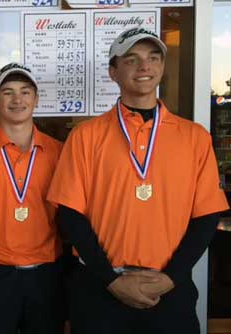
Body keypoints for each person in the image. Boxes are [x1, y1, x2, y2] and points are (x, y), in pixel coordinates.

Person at [47, 27, 229, 334]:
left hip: (169, 290)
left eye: (153, 57)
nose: (144, 66)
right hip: (100, 288)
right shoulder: (85, 136)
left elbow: (207, 215)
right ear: (113, 72)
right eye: (132, 59)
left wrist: (172, 277)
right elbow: (70, 213)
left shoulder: (194, 137)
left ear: (160, 68)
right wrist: (112, 280)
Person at [0, 63, 64, 334]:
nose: (17, 100)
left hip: (47, 276)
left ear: (36, 99)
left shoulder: (61, 154)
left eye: (25, 92)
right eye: (8, 92)